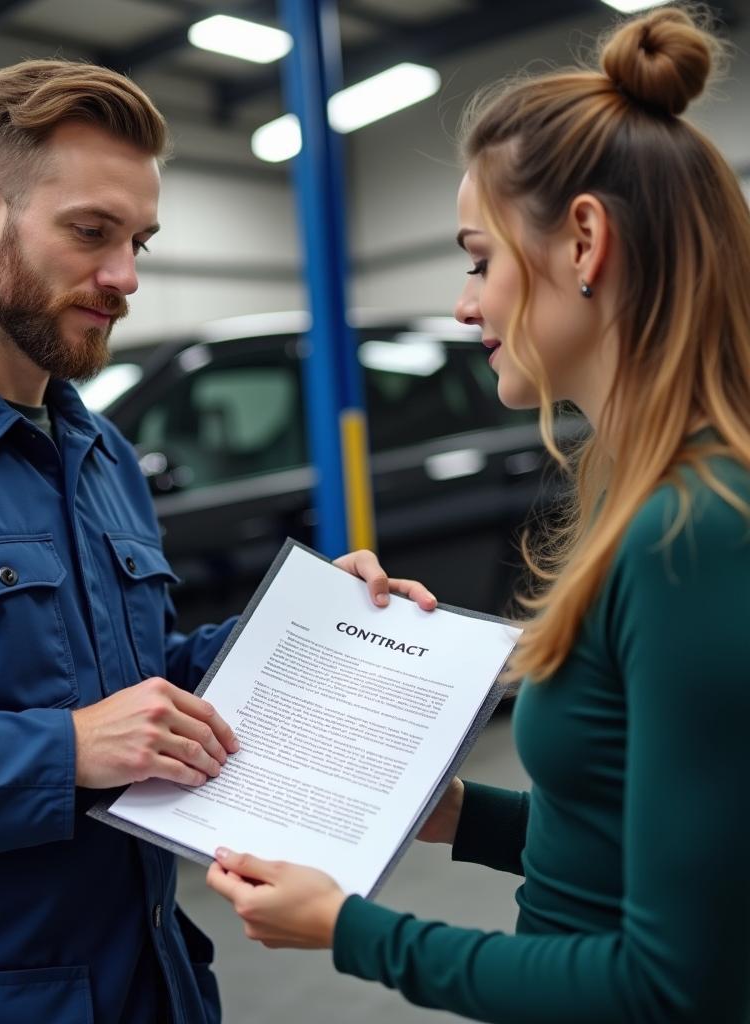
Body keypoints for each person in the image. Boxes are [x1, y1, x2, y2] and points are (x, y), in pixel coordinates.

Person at [0, 60, 437, 1024]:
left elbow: (139, 684)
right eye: (91, 233)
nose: (125, 278)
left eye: (138, 240)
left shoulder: (98, 450)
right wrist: (61, 751)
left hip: (155, 986)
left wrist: (312, 636)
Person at [206, 6, 750, 1022]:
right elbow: (621, 838)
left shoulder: (697, 528)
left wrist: (352, 929)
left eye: (475, 257)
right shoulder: (651, 494)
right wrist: (448, 813)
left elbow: (670, 985)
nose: (464, 306)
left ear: (584, 241)